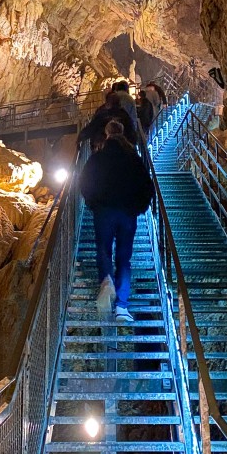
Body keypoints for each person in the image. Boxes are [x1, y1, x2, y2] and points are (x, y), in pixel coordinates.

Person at [79, 119, 154, 323]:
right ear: (123, 134)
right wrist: (139, 207)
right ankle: (122, 306)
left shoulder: (98, 157)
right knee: (124, 258)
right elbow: (147, 186)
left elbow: (84, 182)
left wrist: (93, 203)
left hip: (104, 212)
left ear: (107, 134)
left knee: (104, 250)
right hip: (127, 213)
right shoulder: (133, 158)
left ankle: (106, 282)